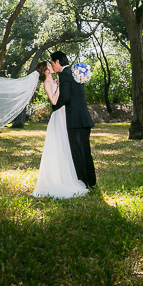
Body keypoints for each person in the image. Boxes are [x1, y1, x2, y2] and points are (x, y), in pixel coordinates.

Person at [31, 61, 89, 199]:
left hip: (65, 114)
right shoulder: (47, 84)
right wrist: (59, 87)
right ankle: (58, 179)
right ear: (46, 71)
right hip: (58, 117)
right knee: (59, 146)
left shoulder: (55, 81)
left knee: (66, 146)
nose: (51, 66)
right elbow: (54, 101)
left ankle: (68, 175)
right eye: (49, 66)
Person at [50, 50, 96, 189]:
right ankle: (91, 182)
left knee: (77, 152)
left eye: (52, 63)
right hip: (84, 118)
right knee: (86, 152)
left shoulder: (64, 74)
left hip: (75, 120)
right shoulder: (74, 72)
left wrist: (54, 108)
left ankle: (82, 183)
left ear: (58, 61)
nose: (52, 66)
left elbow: (65, 96)